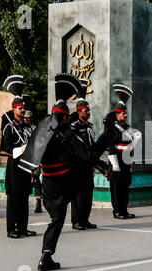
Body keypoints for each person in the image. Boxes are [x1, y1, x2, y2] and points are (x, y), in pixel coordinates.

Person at [19, 73, 109, 271]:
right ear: (65, 117)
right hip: (65, 182)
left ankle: (47, 255)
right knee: (81, 187)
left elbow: (30, 154)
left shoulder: (43, 128)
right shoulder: (66, 133)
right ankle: (49, 253)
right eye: (68, 117)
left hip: (48, 184)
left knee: (57, 218)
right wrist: (102, 167)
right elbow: (84, 155)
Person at [94, 84, 141, 219]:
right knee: (116, 187)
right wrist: (114, 162)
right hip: (116, 159)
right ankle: (117, 211)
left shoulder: (125, 126)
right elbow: (110, 145)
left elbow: (131, 141)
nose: (125, 115)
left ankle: (124, 209)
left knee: (125, 186)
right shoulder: (111, 128)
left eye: (126, 113)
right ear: (117, 114)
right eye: (123, 113)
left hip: (126, 159)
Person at [1, 75, 36, 238]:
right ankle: (11, 229)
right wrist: (21, 148)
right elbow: (7, 147)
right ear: (13, 109)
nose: (23, 110)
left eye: (23, 108)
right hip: (14, 165)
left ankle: (23, 227)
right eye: (20, 108)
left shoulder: (27, 127)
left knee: (24, 196)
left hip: (26, 165)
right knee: (14, 197)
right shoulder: (9, 126)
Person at [69, 79, 98, 230]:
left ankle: (85, 219)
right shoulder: (73, 127)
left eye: (88, 110)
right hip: (77, 165)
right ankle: (76, 220)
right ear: (79, 112)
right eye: (86, 110)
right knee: (78, 194)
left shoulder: (90, 126)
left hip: (88, 165)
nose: (88, 112)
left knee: (88, 192)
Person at [24, 110, 43, 214]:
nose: (27, 120)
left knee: (36, 180)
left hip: (34, 157)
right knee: (25, 181)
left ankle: (38, 203)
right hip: (24, 157)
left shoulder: (35, 129)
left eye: (29, 118)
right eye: (25, 118)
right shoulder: (21, 127)